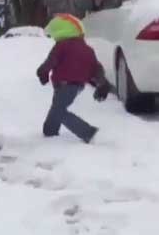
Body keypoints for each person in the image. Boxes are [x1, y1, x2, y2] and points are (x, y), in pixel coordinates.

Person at [36, 13, 111, 144]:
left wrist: (42, 72)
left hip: (64, 84)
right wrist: (102, 82)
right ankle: (50, 130)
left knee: (59, 111)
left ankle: (87, 131)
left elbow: (51, 61)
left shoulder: (62, 46)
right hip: (77, 85)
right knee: (57, 107)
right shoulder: (88, 49)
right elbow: (95, 68)